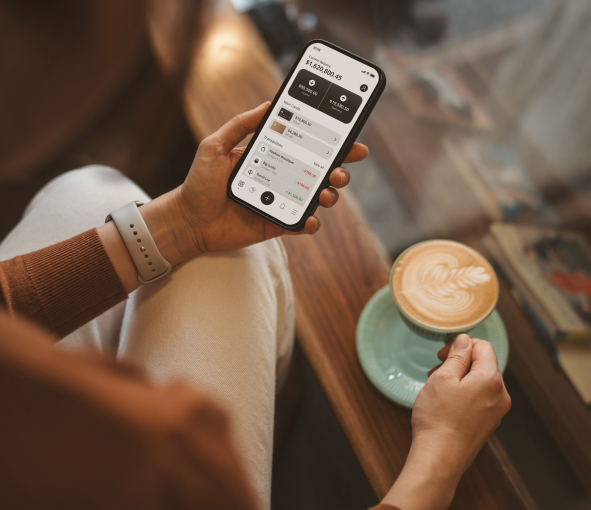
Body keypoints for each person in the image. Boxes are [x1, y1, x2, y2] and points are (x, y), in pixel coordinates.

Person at [0, 102, 511, 510]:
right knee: (241, 256)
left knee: (89, 190)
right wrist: (441, 455)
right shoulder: (168, 447)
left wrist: (182, 224)